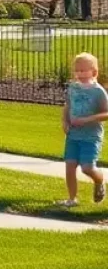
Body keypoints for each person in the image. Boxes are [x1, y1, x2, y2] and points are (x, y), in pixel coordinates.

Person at [58, 52, 108, 207]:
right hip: (73, 135)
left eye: (84, 70)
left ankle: (99, 180)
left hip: (90, 137)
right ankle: (72, 199)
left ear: (94, 71)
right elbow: (68, 105)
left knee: (87, 168)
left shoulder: (98, 91)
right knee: (70, 166)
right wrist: (64, 121)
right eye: (77, 71)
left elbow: (106, 113)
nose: (80, 74)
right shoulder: (73, 87)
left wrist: (87, 120)